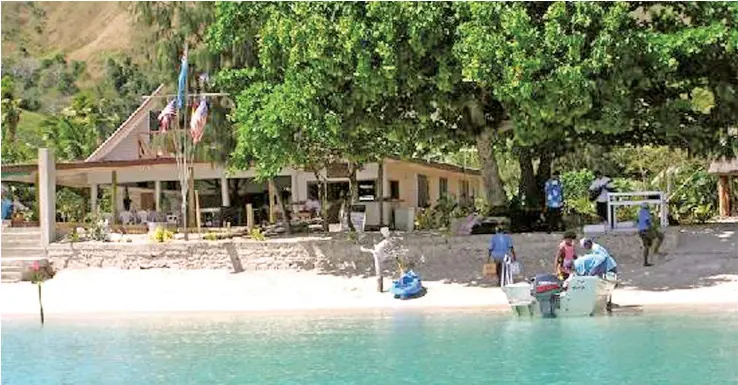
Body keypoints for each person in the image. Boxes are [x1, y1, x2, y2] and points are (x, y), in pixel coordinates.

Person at [637, 202, 665, 267]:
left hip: (641, 231)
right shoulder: (646, 212)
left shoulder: (640, 212)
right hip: (647, 230)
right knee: (660, 236)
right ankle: (656, 250)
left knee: (646, 246)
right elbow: (647, 221)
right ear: (647, 207)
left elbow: (637, 221)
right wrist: (652, 228)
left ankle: (645, 262)